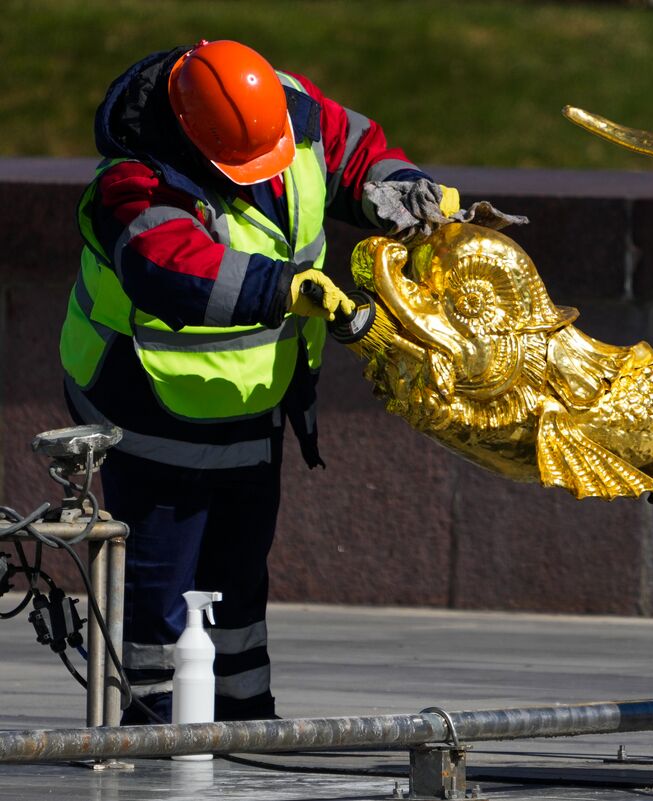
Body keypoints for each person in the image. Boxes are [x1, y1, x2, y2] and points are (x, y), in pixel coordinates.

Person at [59, 40, 462, 723]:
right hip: (152, 410)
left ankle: (249, 719)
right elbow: (170, 267)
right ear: (193, 137)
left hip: (255, 406)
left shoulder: (283, 107)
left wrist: (403, 187)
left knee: (239, 584)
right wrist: (285, 287)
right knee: (158, 598)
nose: (261, 173)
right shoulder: (133, 184)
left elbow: (353, 148)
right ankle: (152, 734)